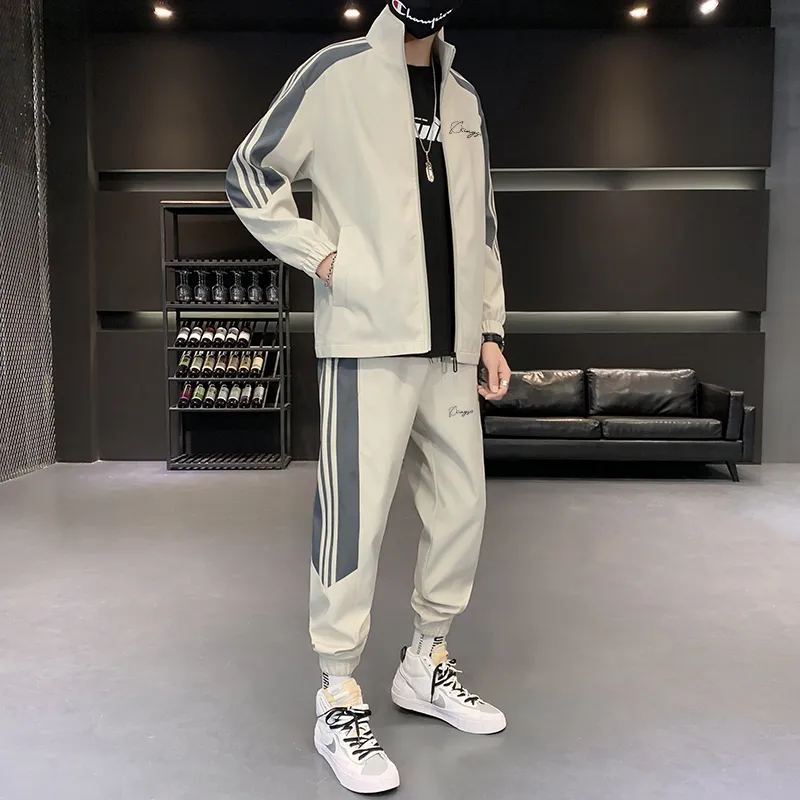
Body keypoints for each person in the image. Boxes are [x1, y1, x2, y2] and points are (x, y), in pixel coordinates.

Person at [227, 0, 510, 792]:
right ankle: (337, 692)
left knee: (462, 509)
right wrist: (322, 257)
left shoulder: (464, 99)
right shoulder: (336, 73)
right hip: (366, 341)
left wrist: (490, 329)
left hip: (452, 347)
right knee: (354, 520)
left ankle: (425, 662)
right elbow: (250, 170)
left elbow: (483, 224)